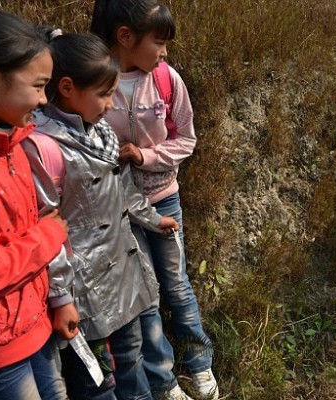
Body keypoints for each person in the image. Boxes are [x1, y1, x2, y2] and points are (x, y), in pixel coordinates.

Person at [23, 32, 190, 400]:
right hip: (85, 286)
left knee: (131, 358)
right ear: (66, 88)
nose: (111, 103)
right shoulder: (43, 146)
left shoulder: (99, 130)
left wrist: (151, 218)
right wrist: (60, 296)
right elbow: (45, 230)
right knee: (97, 381)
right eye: (103, 94)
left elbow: (123, 188)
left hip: (121, 271)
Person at [90, 1, 219, 399]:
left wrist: (144, 156)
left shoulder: (166, 80)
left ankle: (199, 365)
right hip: (120, 212)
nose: (164, 53)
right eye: (159, 43)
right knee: (143, 296)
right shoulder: (94, 82)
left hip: (163, 201)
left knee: (176, 284)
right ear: (125, 38)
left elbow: (187, 140)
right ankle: (163, 381)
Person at [0, 11, 70, 400]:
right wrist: (50, 236)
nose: (44, 100)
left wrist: (57, 300)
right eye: (39, 86)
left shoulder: (14, 144)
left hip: (33, 325)